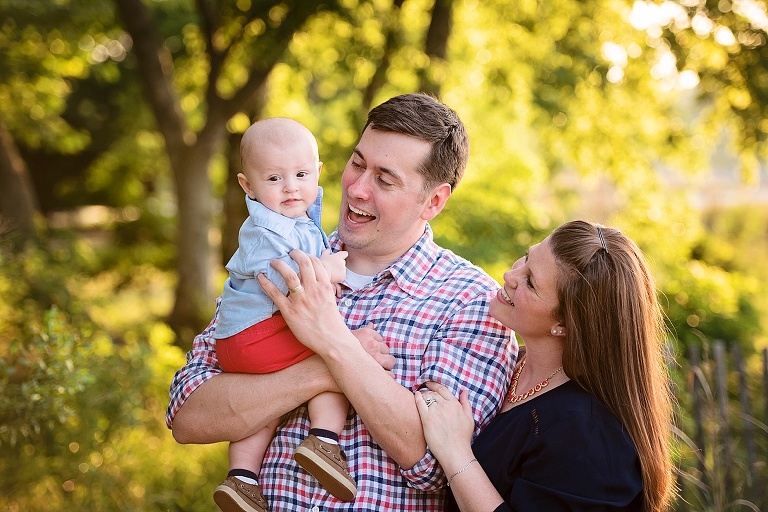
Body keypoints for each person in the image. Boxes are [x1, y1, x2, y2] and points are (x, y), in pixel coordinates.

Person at [166, 93, 517, 511]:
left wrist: (331, 339)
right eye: (357, 163)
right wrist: (322, 371)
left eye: (385, 180)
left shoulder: (470, 303)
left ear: (434, 201)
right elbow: (188, 417)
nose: (357, 188)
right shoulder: (280, 260)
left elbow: (433, 464)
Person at [414, 220, 676, 512]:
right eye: (526, 257)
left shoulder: (586, 434)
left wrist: (456, 453)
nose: (510, 275)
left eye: (531, 282)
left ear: (564, 324)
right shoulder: (505, 363)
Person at [211, 117, 356, 512]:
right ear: (248, 185)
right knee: (332, 356)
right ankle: (324, 440)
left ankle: (242, 479)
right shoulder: (263, 230)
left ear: (319, 172)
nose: (291, 186)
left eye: (302, 174)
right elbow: (288, 277)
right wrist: (327, 271)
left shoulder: (298, 219)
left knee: (266, 406)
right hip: (255, 335)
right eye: (274, 179)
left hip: (243, 339)